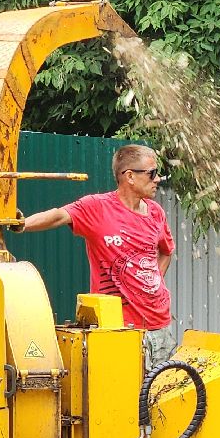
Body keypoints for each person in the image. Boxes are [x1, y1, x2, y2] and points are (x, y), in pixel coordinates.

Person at [16, 144, 177, 366]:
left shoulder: (156, 212)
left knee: (161, 393)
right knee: (121, 395)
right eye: (151, 173)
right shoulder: (97, 208)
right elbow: (58, 216)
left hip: (160, 325)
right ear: (129, 176)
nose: (157, 179)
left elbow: (166, 251)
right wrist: (21, 223)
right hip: (119, 328)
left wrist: (153, 283)